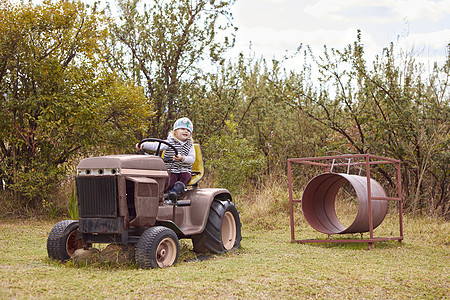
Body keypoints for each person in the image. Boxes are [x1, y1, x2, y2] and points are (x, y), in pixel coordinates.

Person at [137, 117, 195, 202]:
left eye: (188, 130)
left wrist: (182, 158)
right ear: (175, 131)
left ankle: (174, 192)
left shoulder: (190, 145)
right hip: (171, 169)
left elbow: (192, 159)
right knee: (169, 181)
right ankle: (161, 195)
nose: (186, 131)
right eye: (183, 129)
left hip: (184, 170)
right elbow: (156, 145)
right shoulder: (169, 142)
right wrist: (143, 144)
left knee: (187, 177)